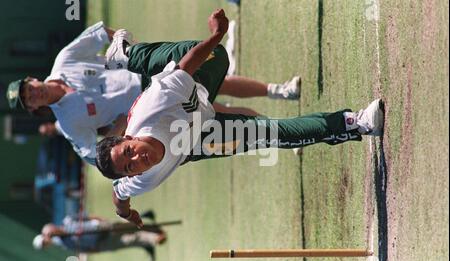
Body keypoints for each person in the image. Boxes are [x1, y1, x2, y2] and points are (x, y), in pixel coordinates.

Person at [94, 9, 385, 228]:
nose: (136, 160)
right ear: (131, 175)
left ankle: (127, 54)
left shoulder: (155, 106)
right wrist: (127, 213)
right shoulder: (138, 182)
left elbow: (186, 64)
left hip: (183, 89)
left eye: (128, 151)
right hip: (197, 140)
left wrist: (217, 34)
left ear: (129, 138)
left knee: (217, 55)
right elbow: (118, 196)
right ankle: (355, 123)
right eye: (129, 167)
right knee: (273, 134)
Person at [6, 23, 300, 165]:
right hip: (146, 112)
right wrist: (121, 130)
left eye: (28, 89)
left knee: (218, 82)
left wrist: (133, 52)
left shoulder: (63, 60)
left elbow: (100, 34)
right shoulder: (69, 123)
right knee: (218, 111)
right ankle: (281, 133)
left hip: (147, 74)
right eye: (28, 99)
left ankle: (279, 91)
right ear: (33, 109)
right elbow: (95, 156)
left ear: (32, 79)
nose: (33, 94)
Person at [32, 213, 166, 258]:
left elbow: (87, 217)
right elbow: (84, 250)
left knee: (129, 227)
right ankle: (155, 238)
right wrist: (98, 250)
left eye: (44, 241)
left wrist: (101, 220)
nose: (46, 242)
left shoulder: (68, 220)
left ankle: (153, 227)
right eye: (44, 245)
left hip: (101, 228)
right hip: (102, 243)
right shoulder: (64, 244)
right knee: (131, 240)